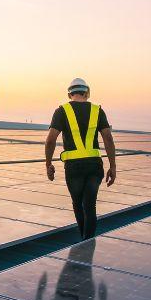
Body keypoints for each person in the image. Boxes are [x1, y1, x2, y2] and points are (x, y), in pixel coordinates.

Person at [44, 78, 117, 240]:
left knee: (78, 205)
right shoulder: (97, 110)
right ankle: (88, 241)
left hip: (74, 168)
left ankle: (84, 241)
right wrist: (113, 167)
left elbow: (50, 140)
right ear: (87, 92)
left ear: (70, 94)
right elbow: (108, 138)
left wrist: (48, 164)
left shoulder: (62, 111)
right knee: (90, 206)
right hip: (94, 166)